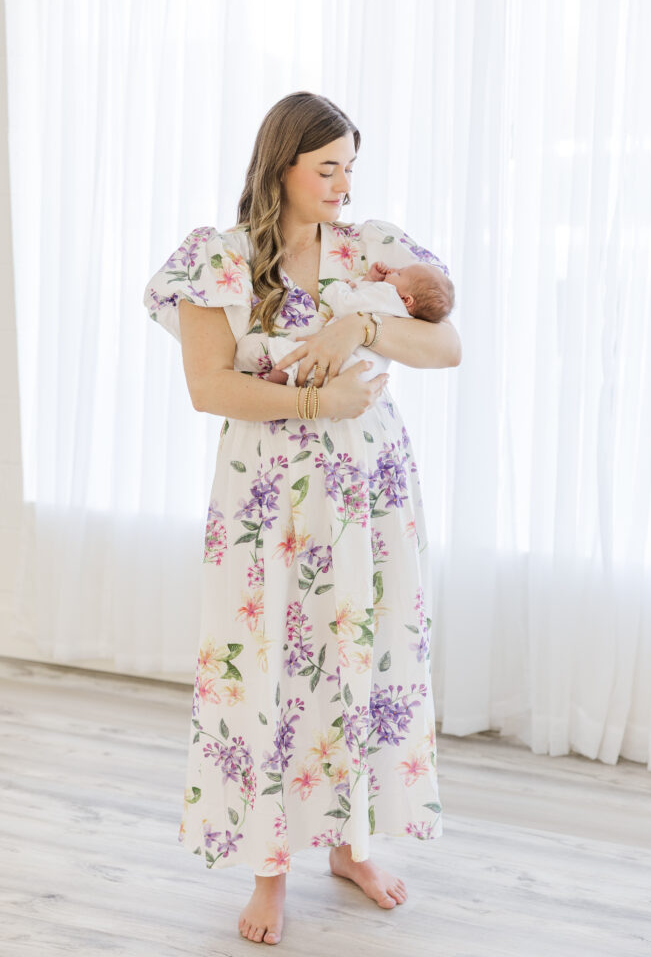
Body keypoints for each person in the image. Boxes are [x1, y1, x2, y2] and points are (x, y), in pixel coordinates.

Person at [142, 91, 462, 947]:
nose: (343, 184)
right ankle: (269, 870)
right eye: (327, 168)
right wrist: (318, 400)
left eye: (349, 167)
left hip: (368, 489)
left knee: (361, 655)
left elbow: (446, 345)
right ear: (280, 164)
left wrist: (360, 323)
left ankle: (352, 847)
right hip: (266, 497)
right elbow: (210, 386)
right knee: (271, 668)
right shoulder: (219, 258)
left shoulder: (373, 249)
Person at [264, 257, 456, 386]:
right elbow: (367, 302)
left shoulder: (387, 292)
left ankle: (273, 393)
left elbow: (346, 305)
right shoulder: (407, 314)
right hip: (362, 372)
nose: (393, 270)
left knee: (285, 364)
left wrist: (337, 287)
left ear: (407, 299)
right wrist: (369, 279)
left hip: (342, 358)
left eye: (399, 274)